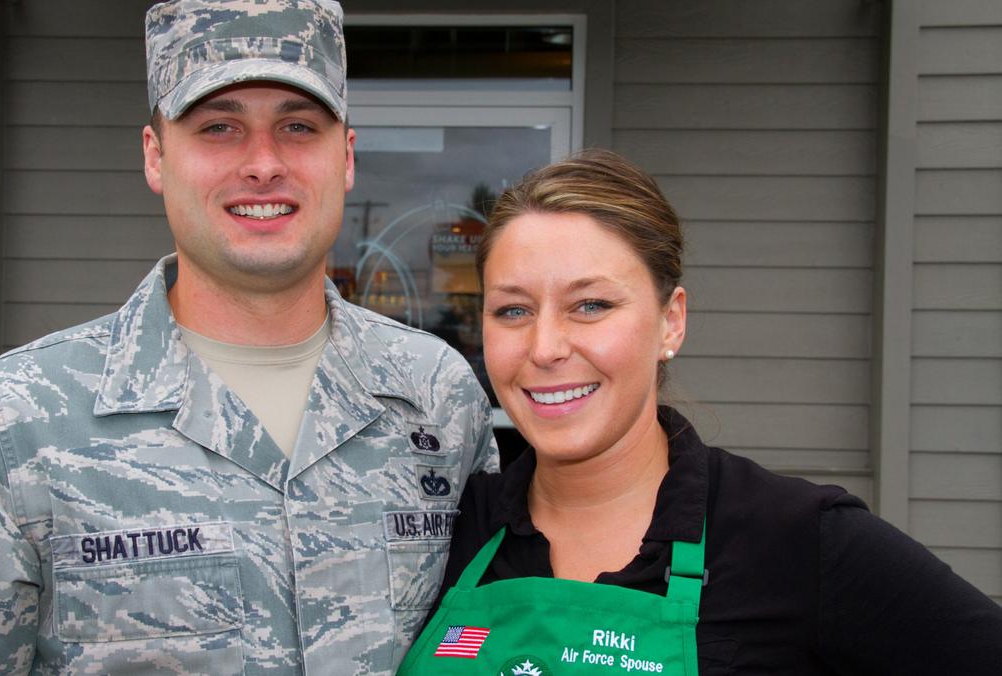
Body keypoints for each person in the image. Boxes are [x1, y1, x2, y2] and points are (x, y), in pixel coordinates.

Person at [0, 1, 496, 673]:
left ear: (347, 158)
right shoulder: (9, 427)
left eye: (298, 126)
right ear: (156, 157)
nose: (264, 163)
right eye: (219, 127)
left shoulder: (438, 401)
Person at [398, 149, 1002, 675]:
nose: (545, 347)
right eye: (512, 310)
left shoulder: (797, 540)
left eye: (590, 305)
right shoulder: (440, 530)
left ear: (671, 320)